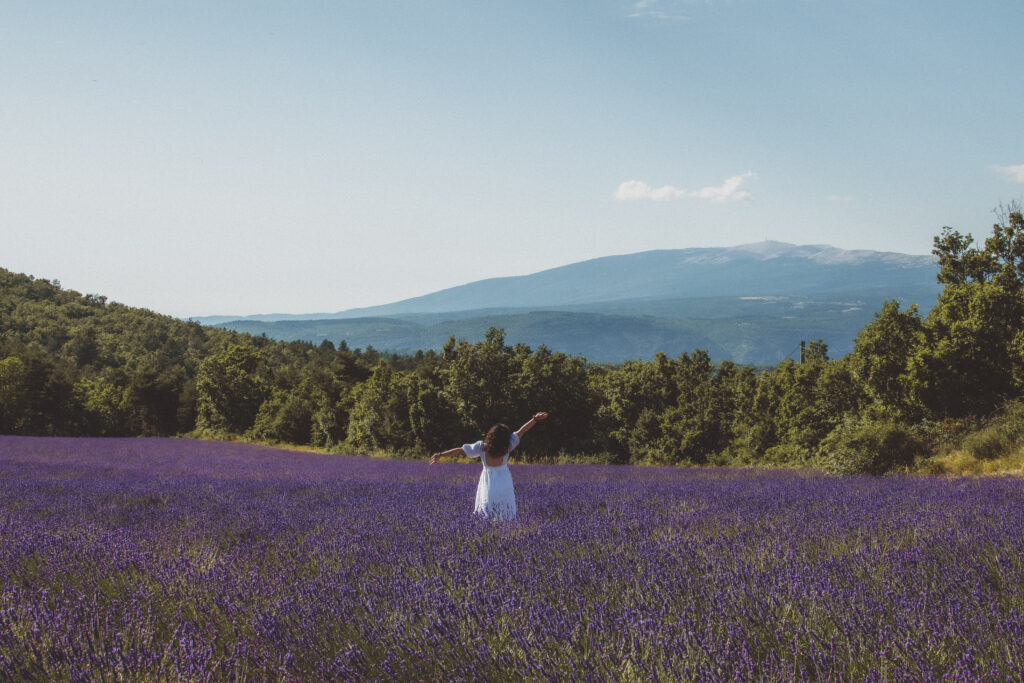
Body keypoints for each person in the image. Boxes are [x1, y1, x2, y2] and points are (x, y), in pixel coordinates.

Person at [429, 412, 549, 520]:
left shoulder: (482, 447)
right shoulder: (507, 446)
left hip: (488, 481)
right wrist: (535, 419)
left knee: (487, 505)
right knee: (505, 507)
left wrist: (441, 454)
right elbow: (522, 430)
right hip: (504, 480)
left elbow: (461, 450)